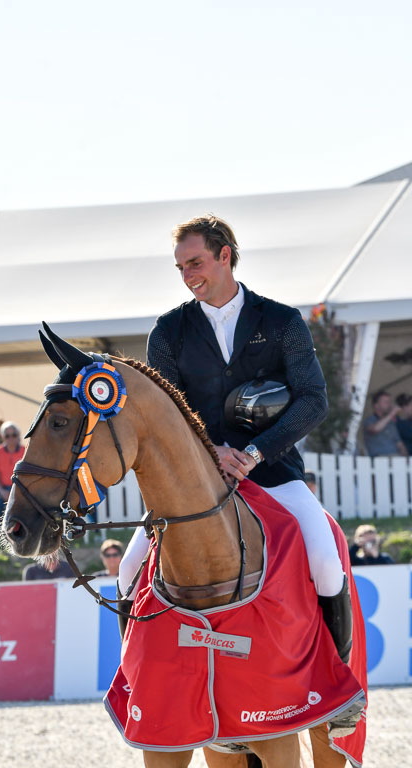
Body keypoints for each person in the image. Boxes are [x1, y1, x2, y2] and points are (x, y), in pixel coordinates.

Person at [119, 214, 351, 662]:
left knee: (325, 562)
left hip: (274, 471)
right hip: (193, 478)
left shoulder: (282, 321)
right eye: (181, 268)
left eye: (196, 263)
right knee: (129, 569)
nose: (188, 276)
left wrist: (254, 452)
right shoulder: (167, 331)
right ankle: (135, 681)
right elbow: (167, 415)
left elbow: (313, 400)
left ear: (225, 256)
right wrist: (210, 454)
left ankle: (339, 689)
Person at [0, 421, 25, 521]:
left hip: (22, 489)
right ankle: (2, 533)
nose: (11, 438)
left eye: (14, 435)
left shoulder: (26, 451)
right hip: (4, 488)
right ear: (2, 436)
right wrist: (2, 491)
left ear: (18, 435)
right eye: (7, 436)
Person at [363, 390, 407, 457]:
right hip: (379, 460)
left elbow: (399, 443)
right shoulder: (369, 420)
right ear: (376, 405)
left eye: (390, 402)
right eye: (386, 402)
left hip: (396, 458)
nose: (389, 405)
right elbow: (375, 429)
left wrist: (405, 456)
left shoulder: (391, 422)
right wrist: (392, 413)